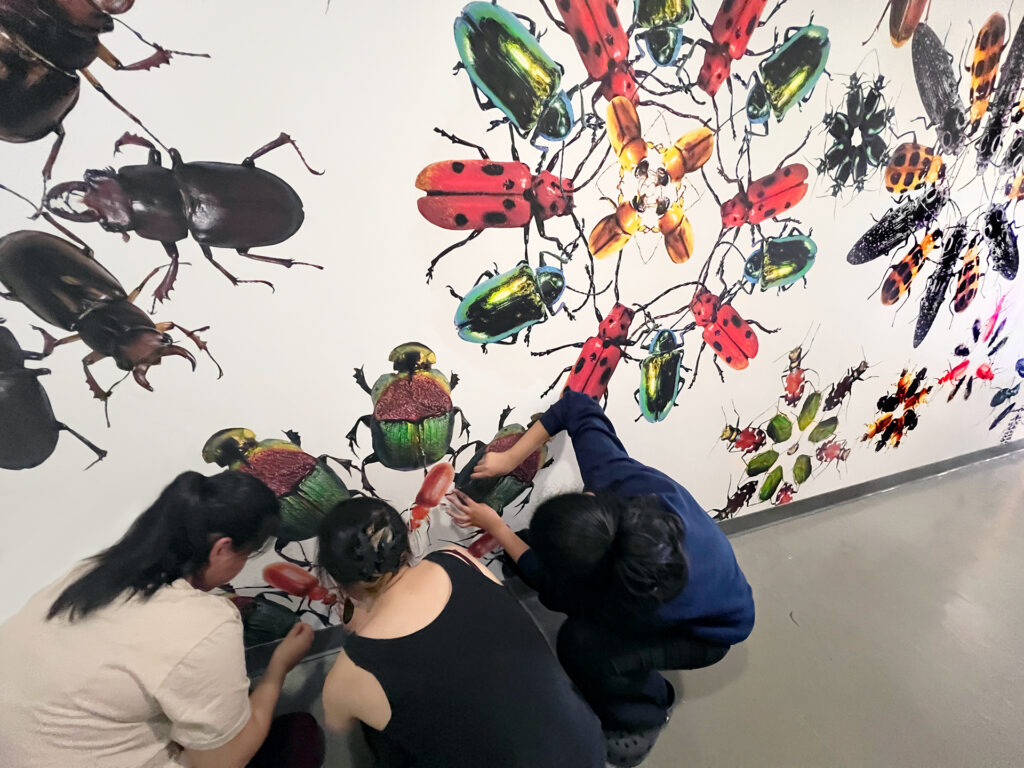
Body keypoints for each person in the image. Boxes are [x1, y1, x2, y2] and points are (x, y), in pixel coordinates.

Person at [447, 390, 755, 768]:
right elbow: (577, 405)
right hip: (707, 581)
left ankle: (644, 714)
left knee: (581, 645)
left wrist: (497, 528)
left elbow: (551, 588)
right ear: (591, 497)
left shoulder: (623, 600)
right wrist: (511, 457)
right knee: (541, 555)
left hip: (712, 633)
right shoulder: (618, 476)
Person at [0, 470, 322, 768]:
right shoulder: (205, 623)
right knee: (298, 736)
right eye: (246, 555)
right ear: (222, 549)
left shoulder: (88, 573)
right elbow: (219, 762)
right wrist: (277, 670)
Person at [316, 497, 605, 768]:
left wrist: (359, 630)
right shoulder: (456, 557)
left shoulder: (348, 675)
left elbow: (338, 723)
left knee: (381, 736)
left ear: (337, 580)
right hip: (587, 746)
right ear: (404, 542)